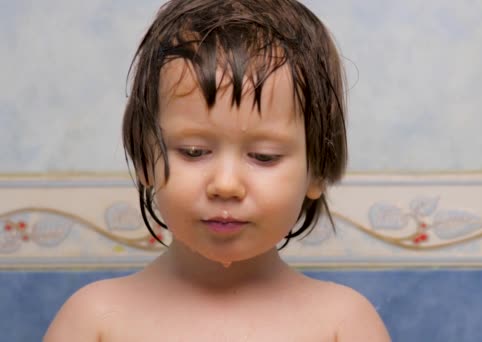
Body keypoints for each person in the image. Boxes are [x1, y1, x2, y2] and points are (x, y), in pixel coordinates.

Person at [44, 0, 391, 340]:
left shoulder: (343, 324)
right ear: (144, 161)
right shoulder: (94, 320)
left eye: (264, 156)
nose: (225, 185)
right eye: (194, 152)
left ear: (317, 171)